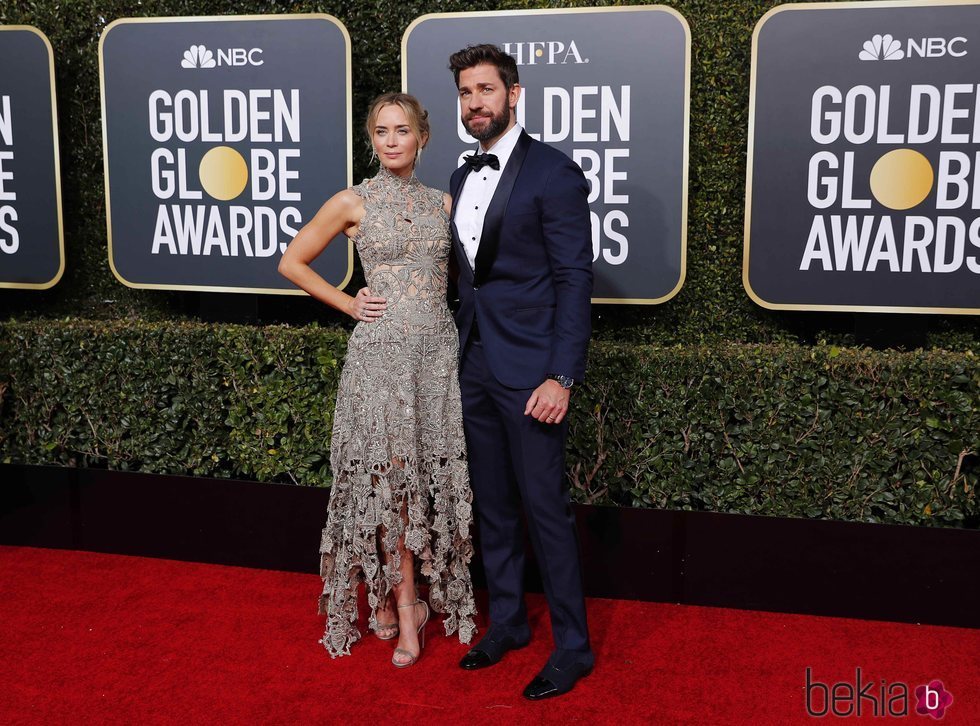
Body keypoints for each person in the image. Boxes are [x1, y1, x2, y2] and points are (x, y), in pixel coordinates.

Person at [278, 92, 476, 668]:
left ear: (423, 138)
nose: (392, 140)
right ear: (372, 139)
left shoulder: (445, 204)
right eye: (382, 131)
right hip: (381, 356)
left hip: (436, 357)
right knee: (392, 485)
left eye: (403, 130)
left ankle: (398, 604)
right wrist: (346, 302)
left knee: (421, 480)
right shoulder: (352, 201)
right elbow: (292, 261)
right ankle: (405, 608)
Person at [447, 44, 595, 700]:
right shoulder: (458, 176)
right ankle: (507, 621)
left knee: (544, 510)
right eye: (465, 93)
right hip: (474, 362)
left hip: (533, 372)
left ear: (514, 94)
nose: (475, 102)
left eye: (485, 89)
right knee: (495, 508)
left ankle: (574, 646)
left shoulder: (554, 173)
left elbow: (573, 279)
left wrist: (561, 376)